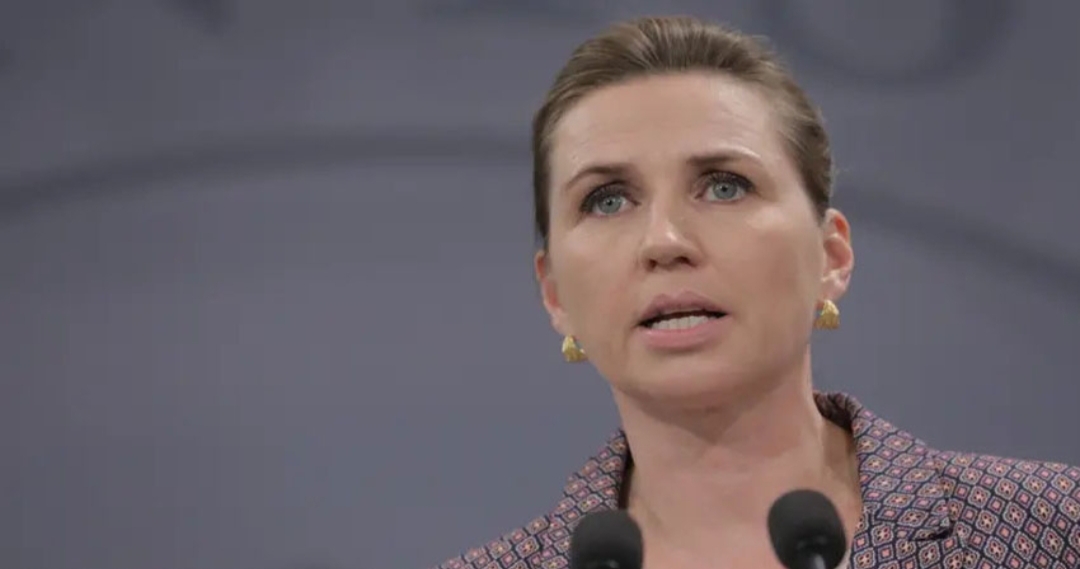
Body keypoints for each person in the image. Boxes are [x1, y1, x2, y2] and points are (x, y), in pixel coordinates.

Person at [433, 15, 1080, 569]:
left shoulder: (1051, 530)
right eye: (607, 200)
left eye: (724, 186)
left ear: (831, 255)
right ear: (554, 294)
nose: (664, 240)